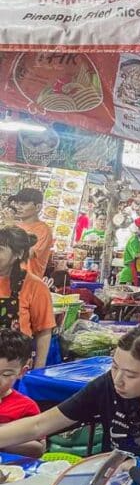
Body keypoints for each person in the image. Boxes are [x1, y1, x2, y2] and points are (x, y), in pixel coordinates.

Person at [0, 324, 140, 461]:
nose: (118, 380)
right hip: (110, 483)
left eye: (130, 374)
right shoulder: (109, 383)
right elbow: (40, 424)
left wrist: (120, 468)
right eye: (115, 366)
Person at [0, 227, 53, 369]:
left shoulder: (35, 286)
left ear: (18, 253)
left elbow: (44, 330)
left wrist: (38, 370)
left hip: (14, 369)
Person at [0, 329, 44, 457]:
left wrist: (6, 436)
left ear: (21, 372)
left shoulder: (25, 407)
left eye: (6, 374)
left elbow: (39, 448)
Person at [9, 189, 52, 279]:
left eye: (23, 204)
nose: (18, 207)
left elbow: (27, 254)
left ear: (38, 207)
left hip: (27, 282)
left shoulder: (43, 230)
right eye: (17, 203)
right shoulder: (14, 225)